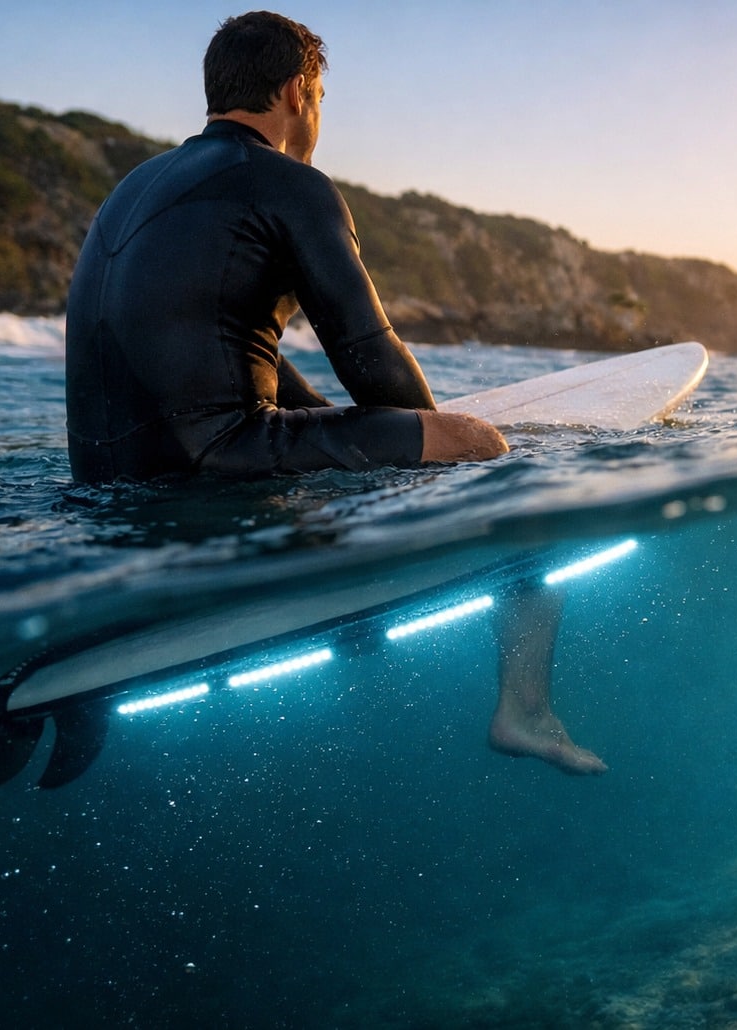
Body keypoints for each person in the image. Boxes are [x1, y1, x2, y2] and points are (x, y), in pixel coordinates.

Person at [65, 11, 603, 775]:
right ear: (297, 91)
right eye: (319, 99)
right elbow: (371, 358)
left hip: (107, 487)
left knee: (348, 443)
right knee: (482, 447)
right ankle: (526, 710)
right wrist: (451, 444)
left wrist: (355, 437)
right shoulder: (291, 185)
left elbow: (220, 357)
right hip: (211, 467)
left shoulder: (132, 191)